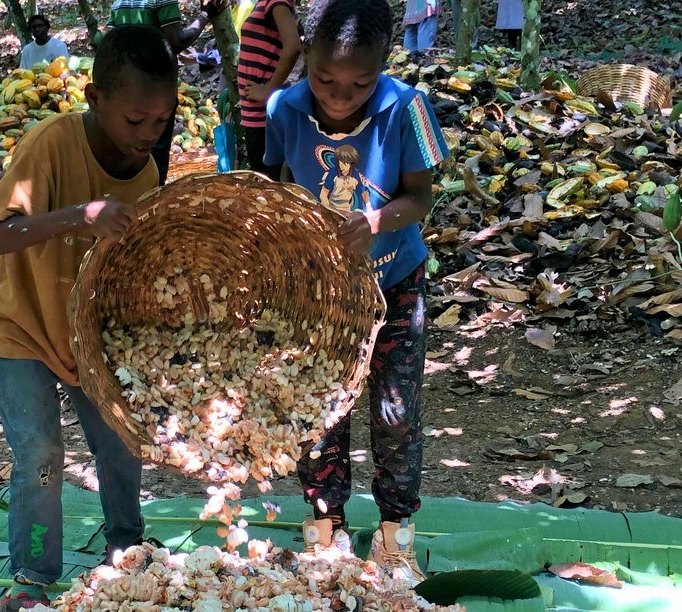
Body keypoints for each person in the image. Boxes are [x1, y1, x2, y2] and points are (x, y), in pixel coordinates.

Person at [0, 25, 177, 611]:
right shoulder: (49, 145)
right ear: (95, 98)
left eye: (160, 122)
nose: (147, 135)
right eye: (135, 121)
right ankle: (33, 577)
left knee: (120, 438)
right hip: (17, 322)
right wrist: (78, 216)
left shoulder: (145, 173)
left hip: (83, 331)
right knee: (40, 455)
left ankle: (127, 552)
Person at [265, 0, 449, 585]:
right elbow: (277, 188)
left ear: (384, 68)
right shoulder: (283, 109)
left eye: (359, 84)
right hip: (319, 293)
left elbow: (421, 198)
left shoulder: (409, 109)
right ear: (306, 61)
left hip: (395, 280)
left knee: (395, 410)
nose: (340, 96)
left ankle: (396, 534)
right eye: (324, 79)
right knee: (322, 408)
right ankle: (326, 531)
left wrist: (373, 221)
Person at [109, 0, 226, 185]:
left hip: (127, 88)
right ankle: (153, 198)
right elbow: (176, 40)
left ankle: (133, 194)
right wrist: (204, 16)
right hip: (156, 88)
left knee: (132, 147)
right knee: (155, 149)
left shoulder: (119, 3)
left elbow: (111, 40)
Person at [238, 0, 301, 179]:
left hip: (262, 115)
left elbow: (293, 46)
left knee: (268, 185)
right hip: (256, 113)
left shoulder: (276, 2)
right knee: (267, 181)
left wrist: (267, 90)